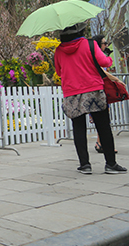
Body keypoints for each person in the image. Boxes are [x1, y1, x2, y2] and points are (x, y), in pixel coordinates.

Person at [54, 23, 126, 174]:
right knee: (104, 127)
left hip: (72, 93)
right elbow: (105, 62)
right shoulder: (90, 44)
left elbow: (59, 71)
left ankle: (85, 165)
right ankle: (111, 164)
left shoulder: (59, 51)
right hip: (94, 90)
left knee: (79, 129)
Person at [91, 35, 119, 155]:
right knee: (103, 119)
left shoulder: (100, 56)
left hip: (101, 89)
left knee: (103, 118)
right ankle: (103, 144)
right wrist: (117, 80)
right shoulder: (96, 57)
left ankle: (100, 142)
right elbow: (103, 72)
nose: (106, 45)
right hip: (97, 90)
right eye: (104, 43)